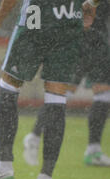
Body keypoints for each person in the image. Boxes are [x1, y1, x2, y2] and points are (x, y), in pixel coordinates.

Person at [0, 0, 99, 179]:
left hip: (36, 19)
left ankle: (4, 168)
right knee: (56, 97)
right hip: (68, 22)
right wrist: (92, 3)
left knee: (9, 86)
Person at [23, 0, 110, 167]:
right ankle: (34, 136)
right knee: (61, 92)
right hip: (79, 36)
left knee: (103, 91)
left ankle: (93, 149)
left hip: (97, 37)